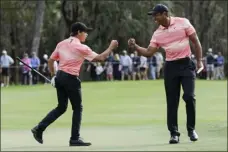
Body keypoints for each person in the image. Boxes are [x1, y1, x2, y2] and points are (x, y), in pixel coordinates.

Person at [31, 22, 118, 146]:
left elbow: (51, 60)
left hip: (60, 76)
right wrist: (111, 47)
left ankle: (39, 129)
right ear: (78, 32)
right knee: (77, 108)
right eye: (85, 32)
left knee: (61, 107)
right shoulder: (81, 47)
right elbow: (100, 58)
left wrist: (53, 76)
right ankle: (74, 138)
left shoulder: (61, 44)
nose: (86, 34)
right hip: (71, 78)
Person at [128, 4, 203, 144]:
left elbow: (196, 42)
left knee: (189, 96)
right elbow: (149, 53)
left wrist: (199, 61)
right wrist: (136, 47)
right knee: (172, 101)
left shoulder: (183, 22)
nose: (154, 19)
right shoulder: (158, 33)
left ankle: (191, 129)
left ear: (165, 14)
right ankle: (174, 133)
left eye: (156, 15)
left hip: (186, 64)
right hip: (171, 67)